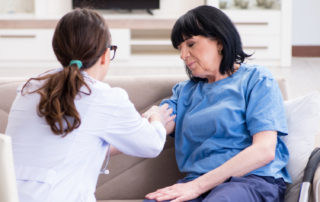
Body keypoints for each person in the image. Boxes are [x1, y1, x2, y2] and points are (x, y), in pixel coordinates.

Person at [5, 8, 174, 202]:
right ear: (104, 55)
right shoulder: (105, 97)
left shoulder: (28, 90)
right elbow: (151, 145)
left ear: (58, 50)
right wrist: (156, 118)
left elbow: (69, 144)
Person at [144, 5, 291, 202]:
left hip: (251, 180)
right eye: (180, 48)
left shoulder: (256, 80)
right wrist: (153, 115)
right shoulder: (184, 92)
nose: (182, 55)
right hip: (198, 184)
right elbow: (158, 124)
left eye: (190, 44)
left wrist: (197, 186)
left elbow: (264, 150)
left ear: (219, 42)